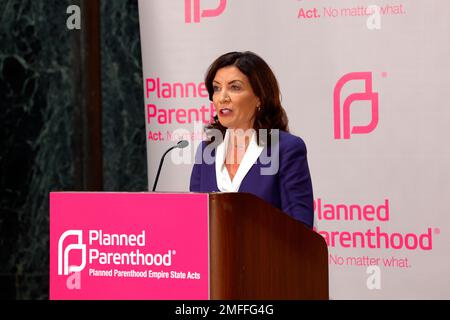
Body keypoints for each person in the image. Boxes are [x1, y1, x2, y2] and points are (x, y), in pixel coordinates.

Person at [189, 51, 314, 229]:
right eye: (217, 88)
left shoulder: (285, 149)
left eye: (235, 87)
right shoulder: (206, 151)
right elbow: (194, 220)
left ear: (259, 98)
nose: (222, 97)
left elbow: (300, 228)